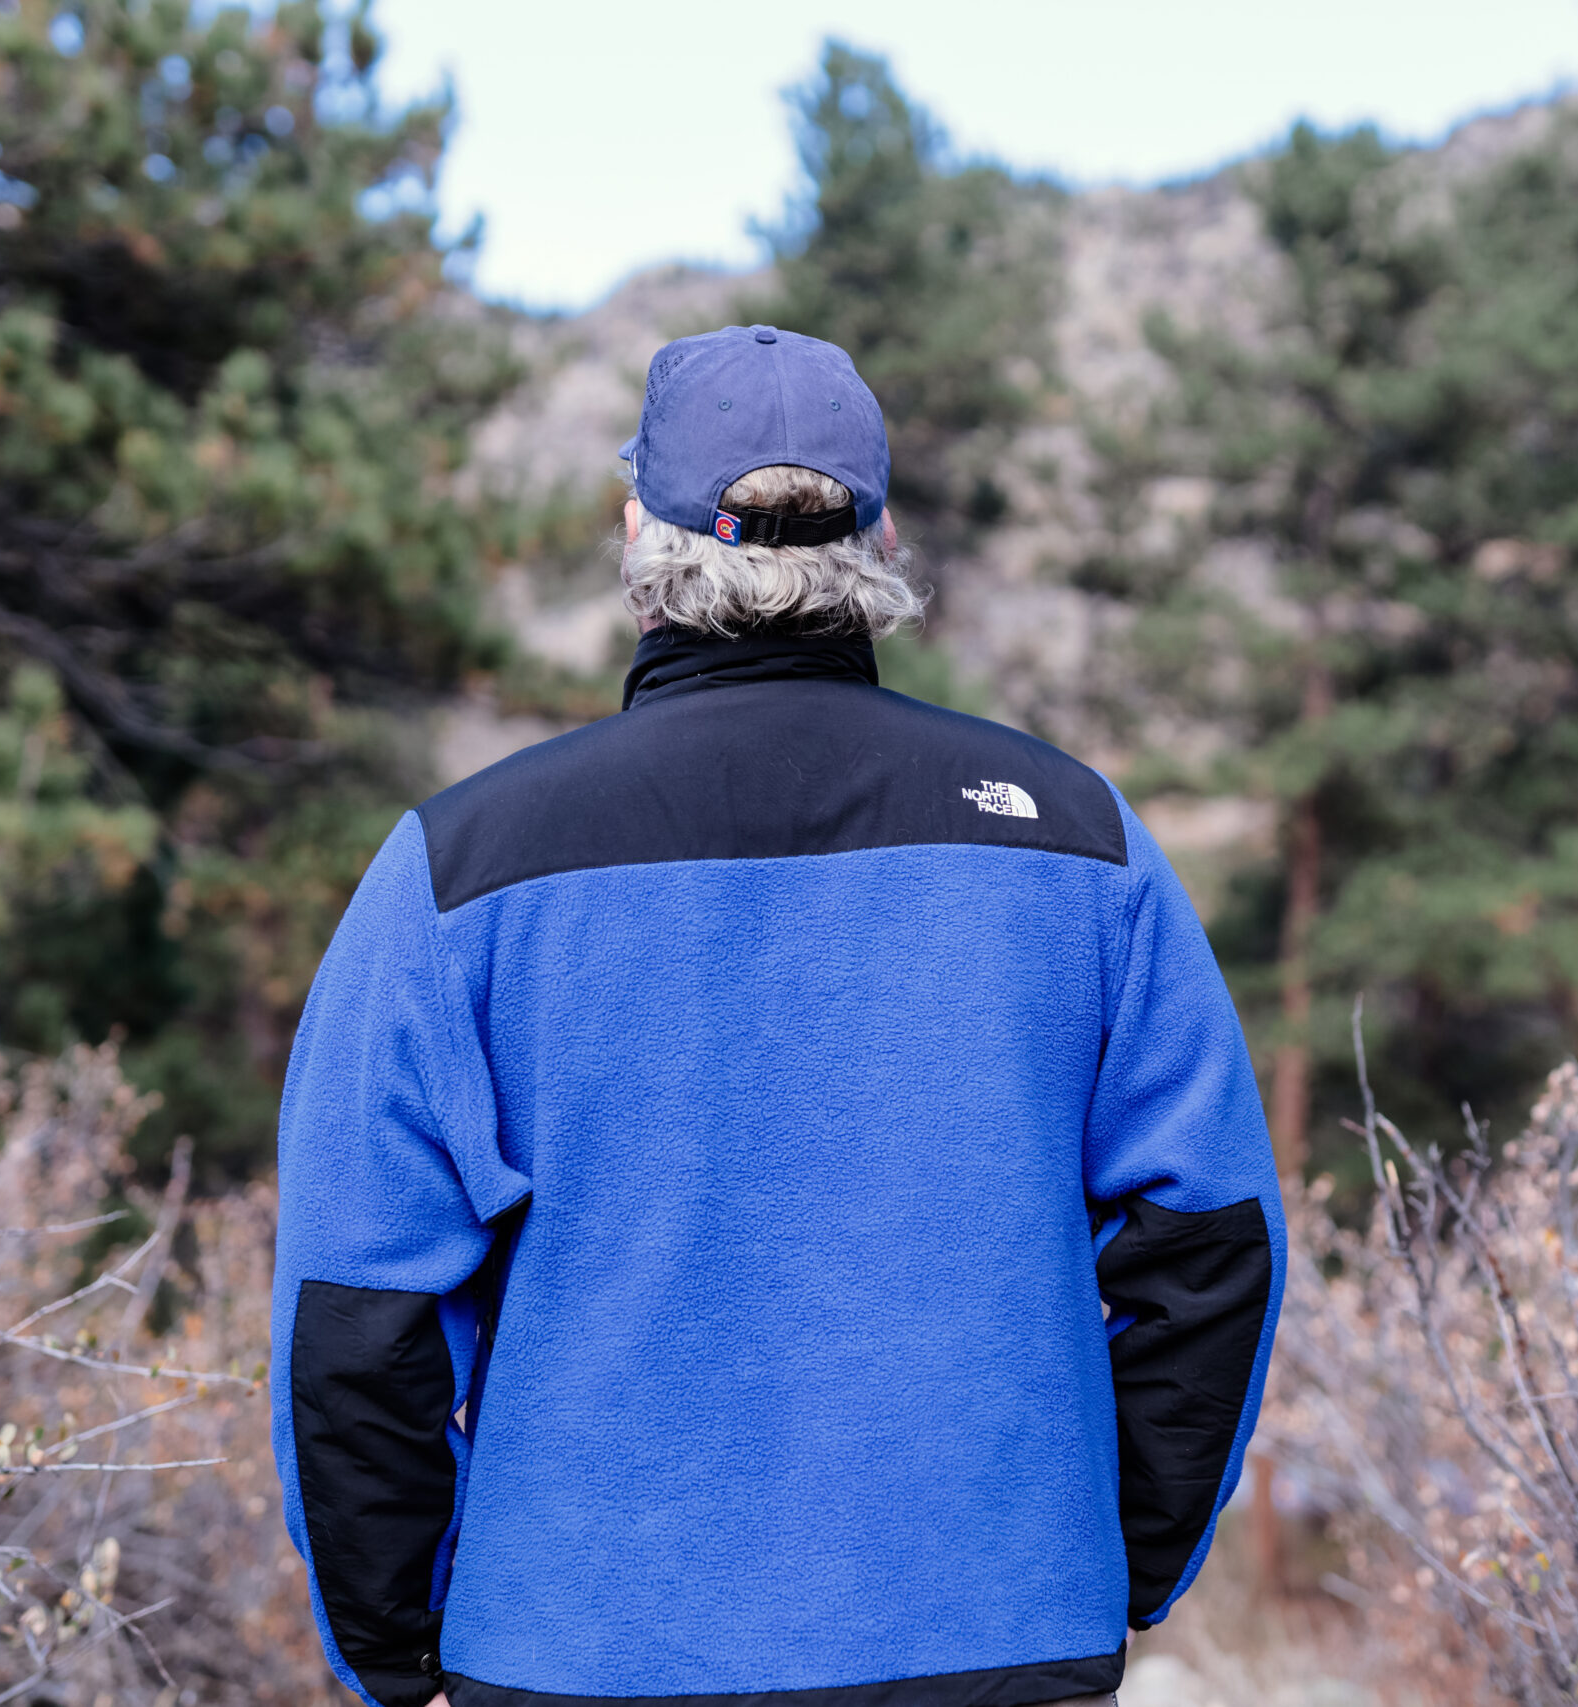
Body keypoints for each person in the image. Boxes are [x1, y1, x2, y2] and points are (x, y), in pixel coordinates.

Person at [270, 324, 1283, 1707]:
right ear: (877, 541)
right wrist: (1108, 1568)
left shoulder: (460, 872)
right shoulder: (1082, 846)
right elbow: (1211, 1246)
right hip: (995, 1645)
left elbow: (357, 1314)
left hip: (579, 1656)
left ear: (637, 529)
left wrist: (396, 1654)